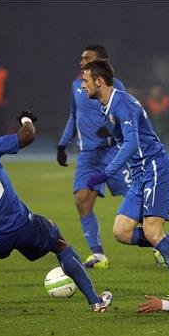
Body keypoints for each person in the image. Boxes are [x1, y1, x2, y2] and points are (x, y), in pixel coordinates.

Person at [0, 111, 113, 313]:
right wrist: (26, 119)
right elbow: (28, 135)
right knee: (59, 242)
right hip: (24, 226)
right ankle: (96, 301)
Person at [81, 60, 169, 298]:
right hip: (141, 176)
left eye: (86, 81)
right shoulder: (106, 106)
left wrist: (106, 173)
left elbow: (132, 143)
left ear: (99, 81)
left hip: (156, 168)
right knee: (121, 232)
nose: (82, 86)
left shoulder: (123, 103)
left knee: (153, 232)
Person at [57, 45, 130, 269]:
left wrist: (110, 129)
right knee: (82, 200)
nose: (81, 62)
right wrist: (62, 143)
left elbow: (126, 116)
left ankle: (157, 244)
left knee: (138, 200)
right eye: (81, 58)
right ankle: (98, 255)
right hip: (88, 155)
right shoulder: (76, 86)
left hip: (113, 151)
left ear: (100, 62)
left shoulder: (116, 87)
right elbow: (73, 115)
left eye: (86, 58)